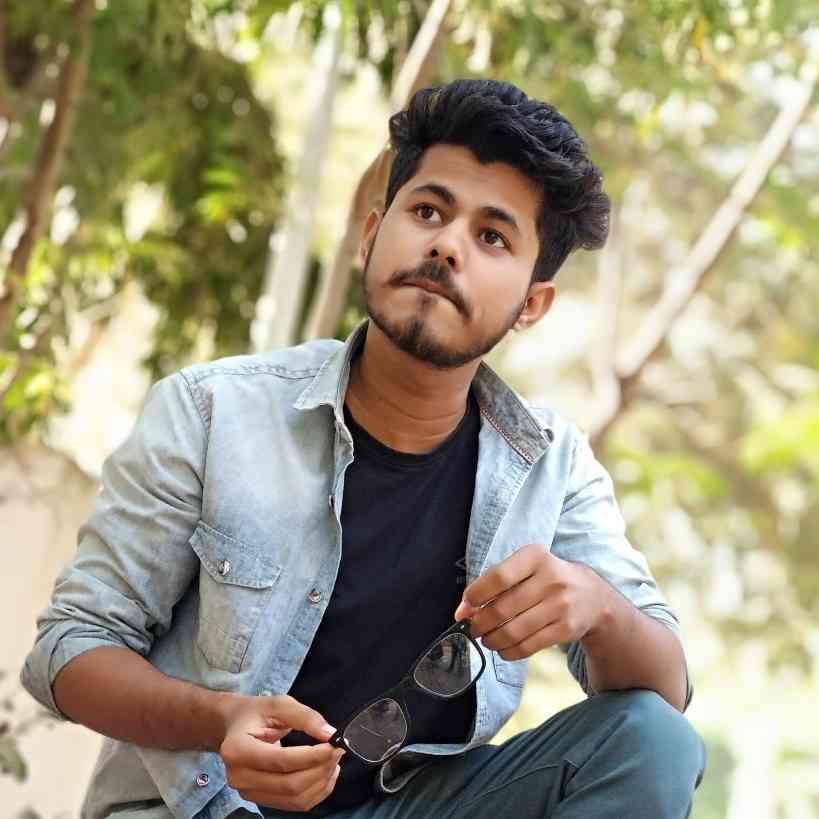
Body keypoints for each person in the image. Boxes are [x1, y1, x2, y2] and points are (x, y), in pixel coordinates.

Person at [21, 78, 706, 819]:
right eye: (428, 211)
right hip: (202, 810)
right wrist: (219, 720)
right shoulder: (213, 411)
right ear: (370, 234)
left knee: (652, 740)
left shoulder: (551, 468)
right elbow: (68, 648)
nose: (446, 245)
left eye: (493, 237)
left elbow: (665, 690)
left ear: (531, 305)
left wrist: (598, 607)